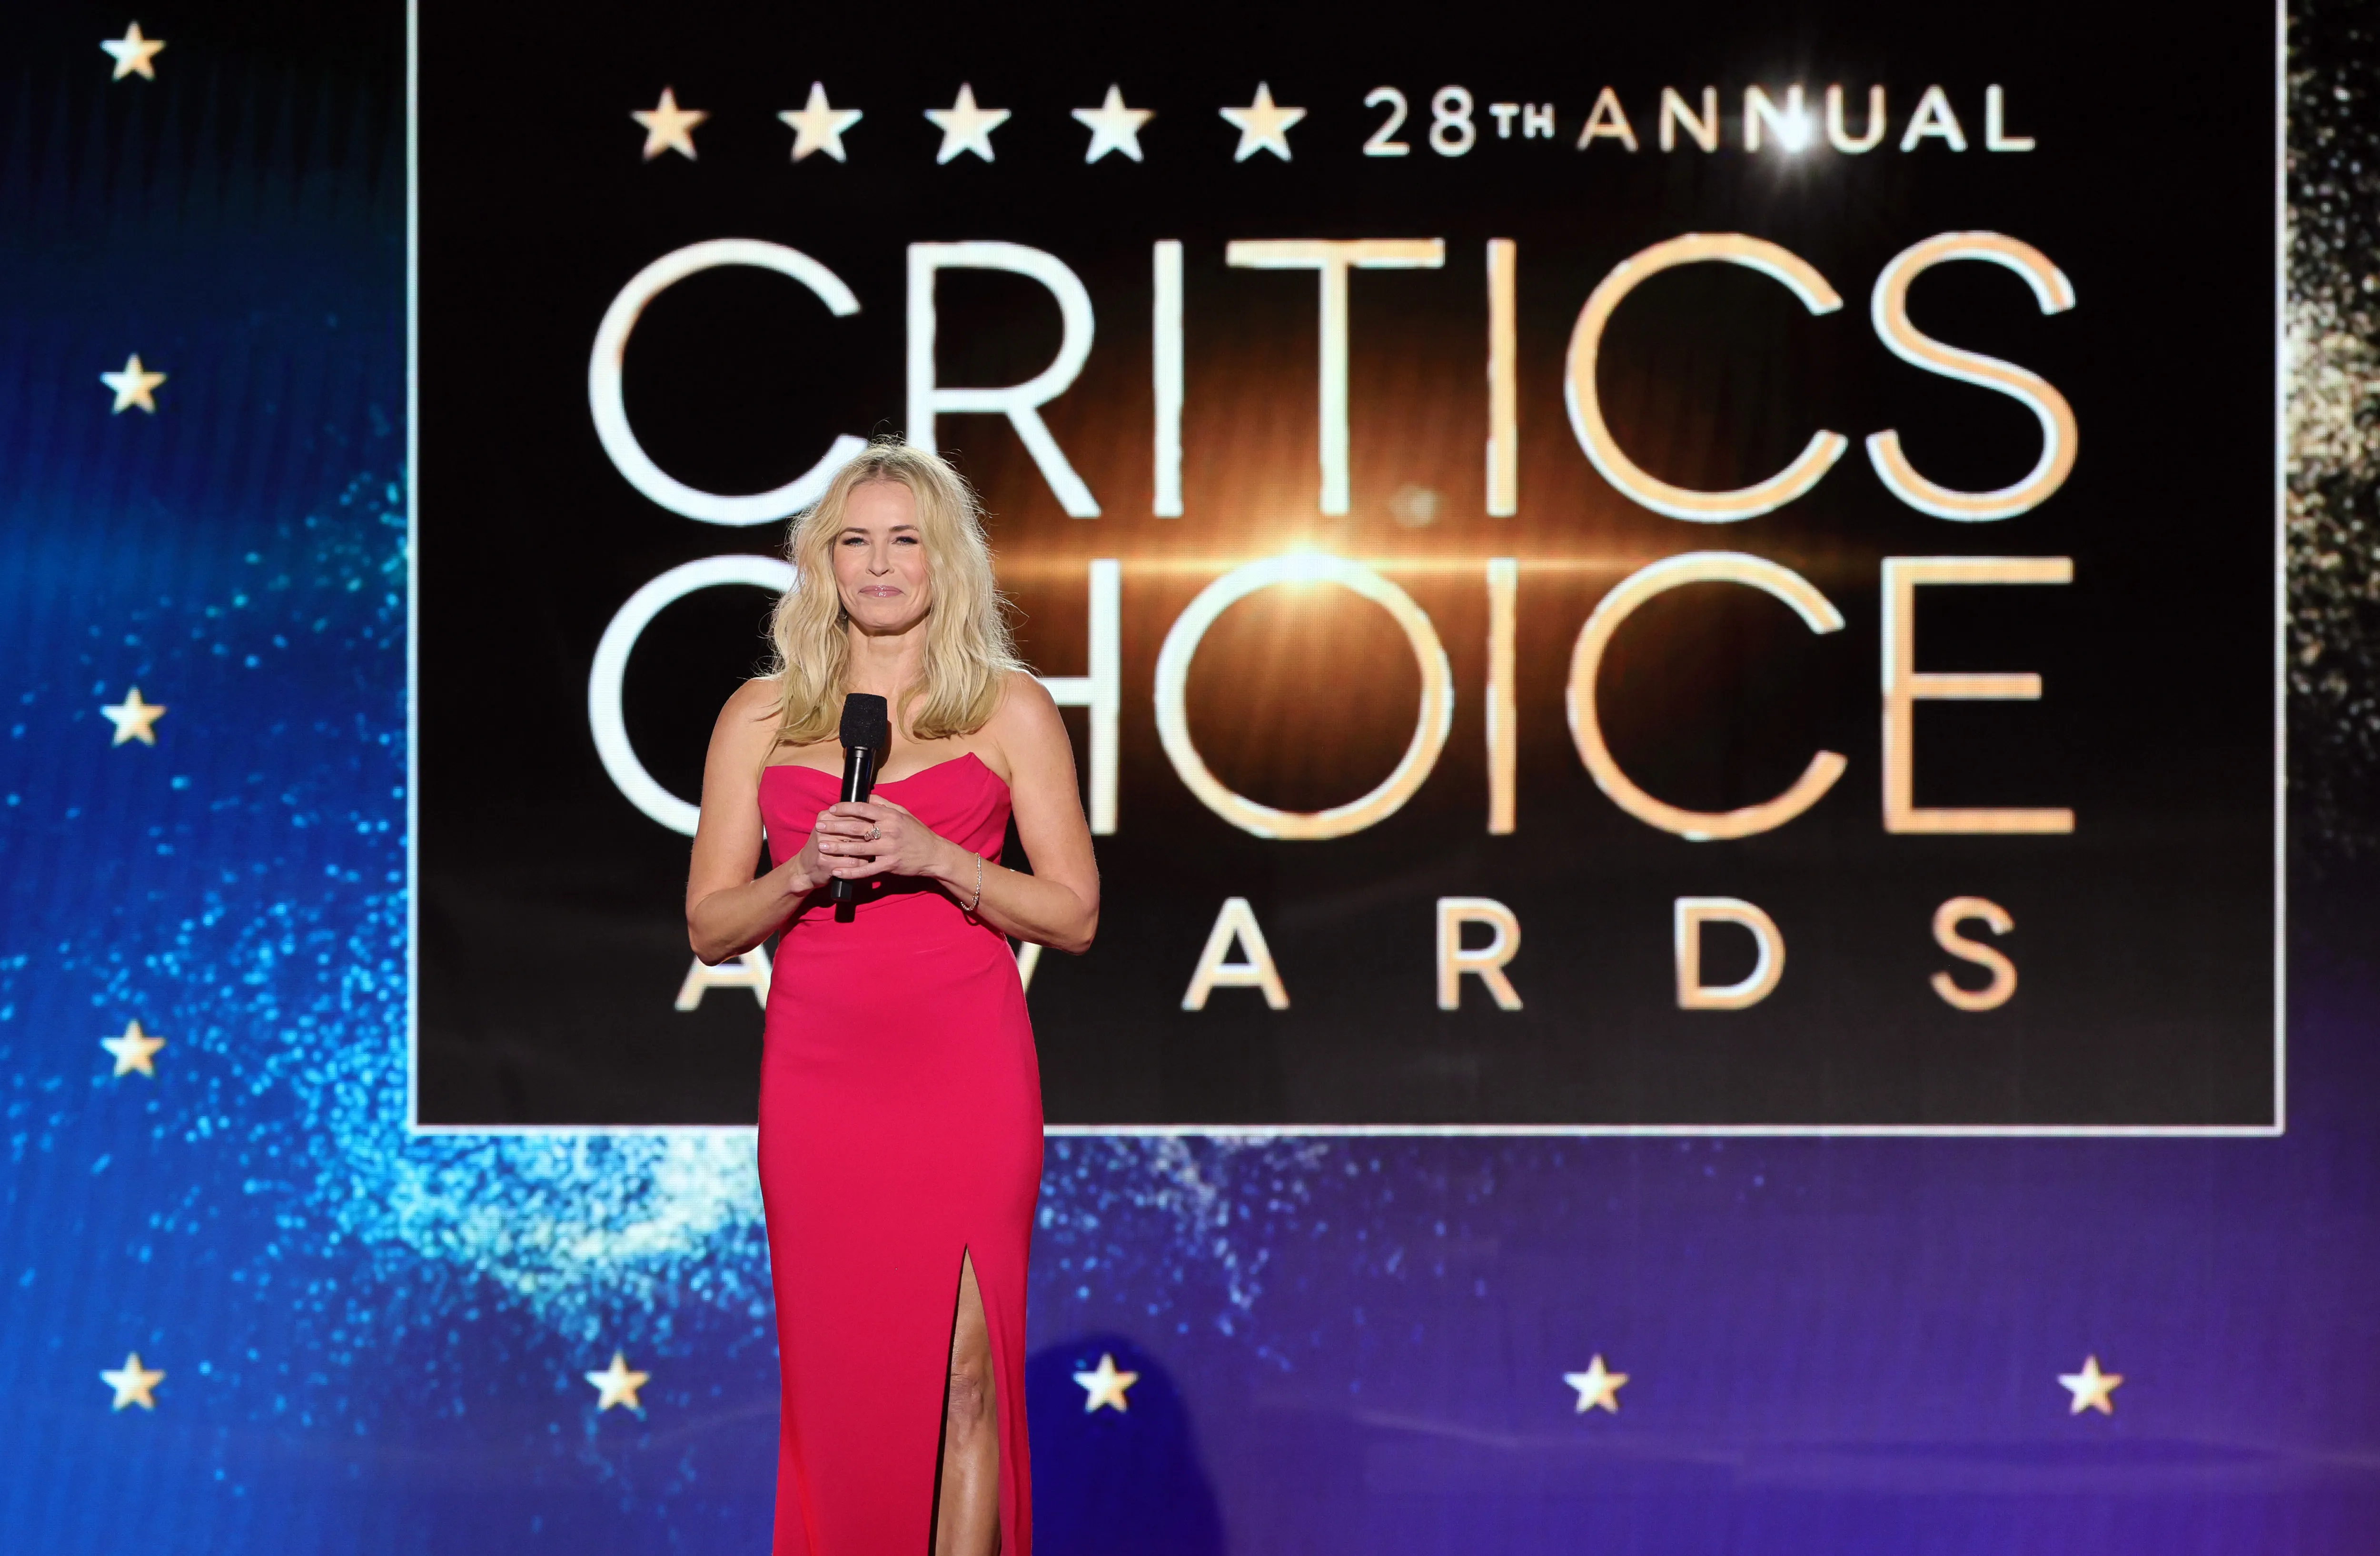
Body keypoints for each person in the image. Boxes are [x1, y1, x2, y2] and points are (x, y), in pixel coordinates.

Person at [684, 440, 1099, 1556]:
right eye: (854, 541)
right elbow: (711, 927)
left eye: (904, 539)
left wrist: (938, 854)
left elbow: (1072, 913)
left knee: (968, 1376)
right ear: (820, 563)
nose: (879, 564)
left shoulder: (1009, 709)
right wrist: (802, 871)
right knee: (844, 1392)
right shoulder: (761, 715)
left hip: (966, 1068)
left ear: (943, 561)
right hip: (821, 1082)